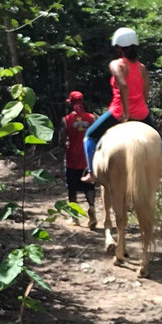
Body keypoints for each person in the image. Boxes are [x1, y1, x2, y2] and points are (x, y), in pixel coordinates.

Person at [81, 27, 161, 183]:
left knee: (90, 136)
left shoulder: (116, 65)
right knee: (158, 140)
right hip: (142, 113)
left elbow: (123, 85)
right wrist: (141, 106)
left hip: (119, 112)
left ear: (118, 48)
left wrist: (125, 112)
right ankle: (160, 173)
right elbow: (145, 92)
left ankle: (92, 173)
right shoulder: (142, 68)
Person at [59, 90, 97, 227]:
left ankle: (75, 218)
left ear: (71, 103)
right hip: (88, 159)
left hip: (72, 159)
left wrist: (67, 145)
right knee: (89, 187)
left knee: (72, 189)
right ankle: (92, 207)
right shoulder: (91, 118)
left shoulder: (66, 120)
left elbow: (62, 141)